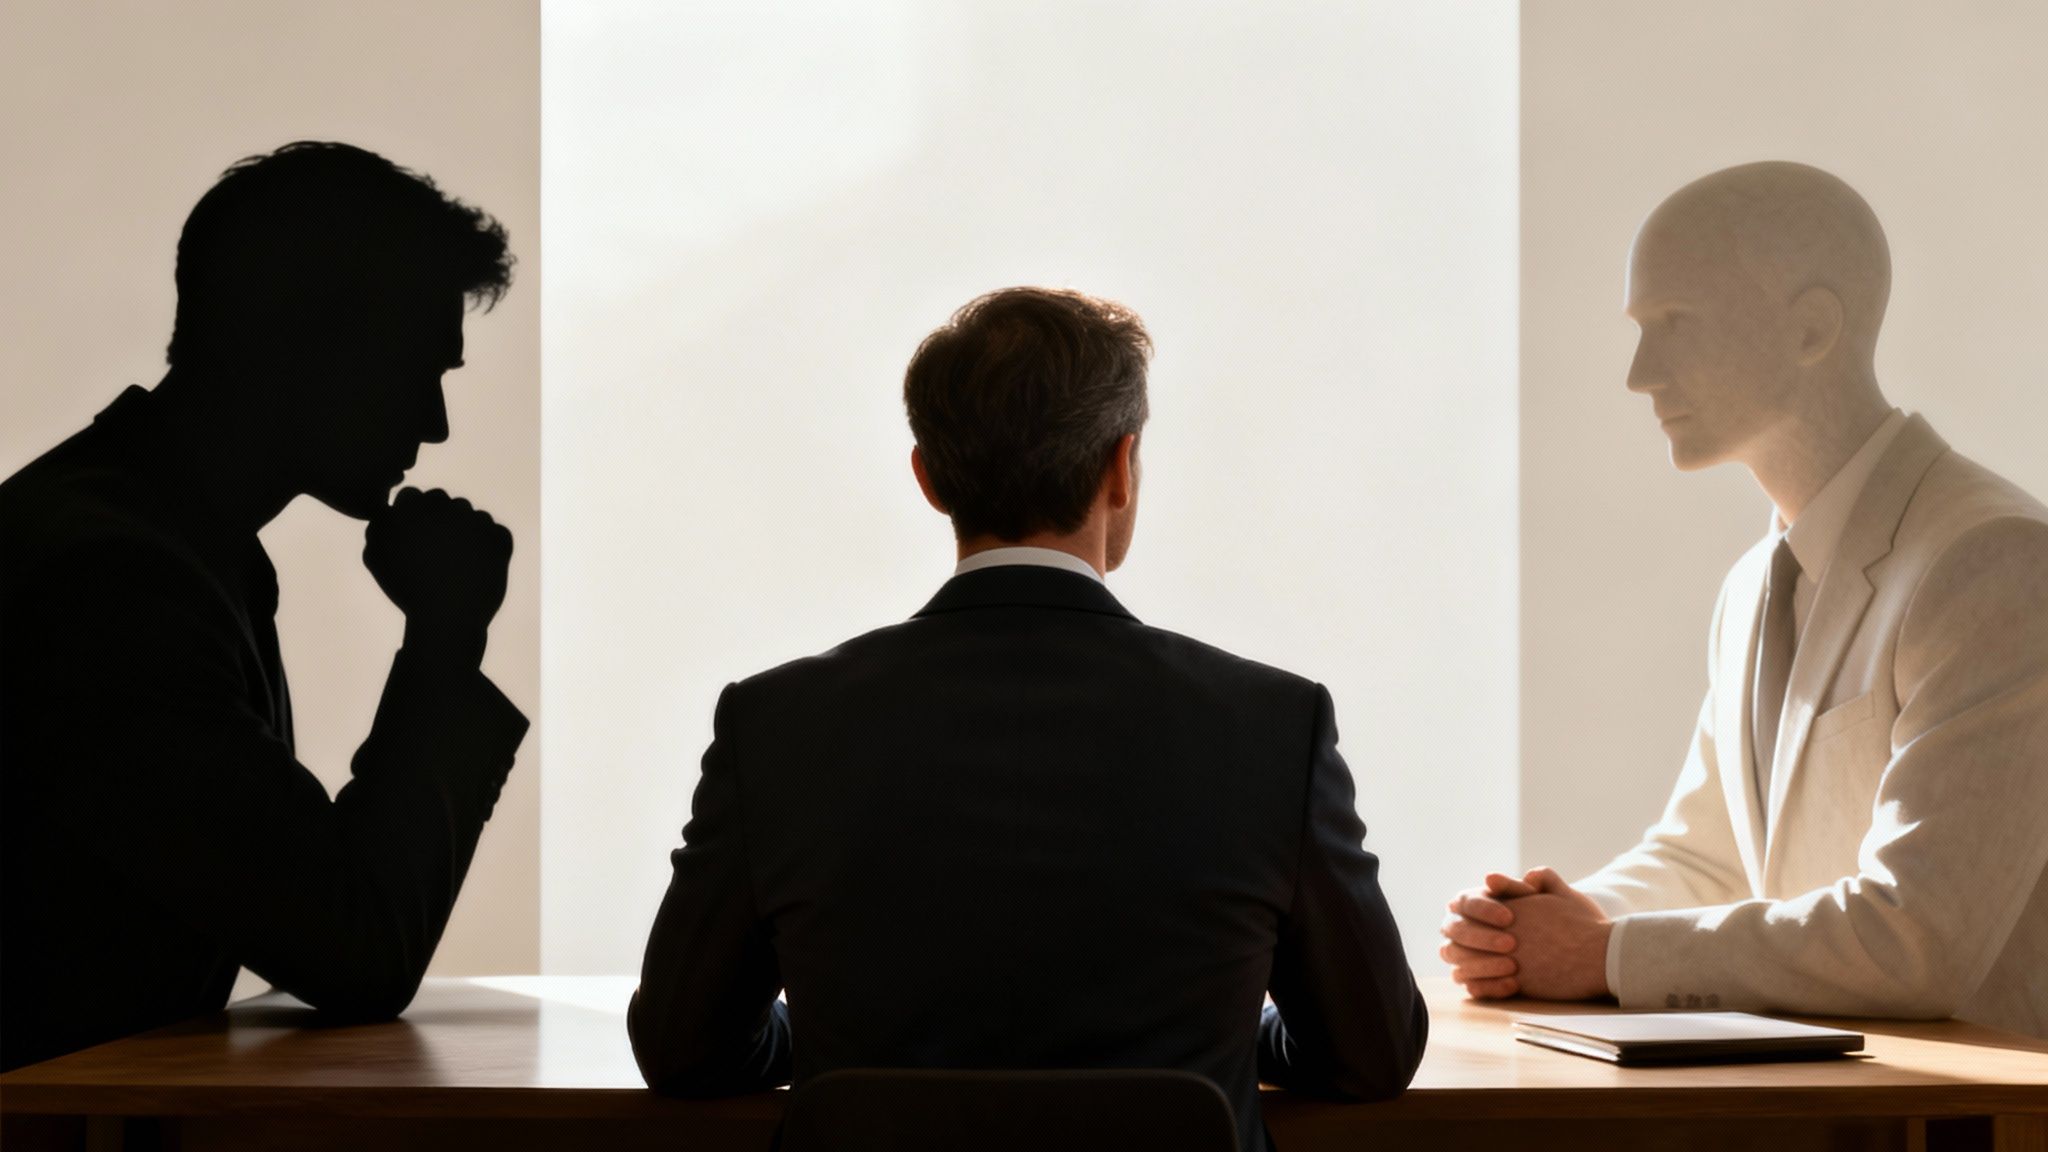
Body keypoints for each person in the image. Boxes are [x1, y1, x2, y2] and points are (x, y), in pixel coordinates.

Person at [629, 287, 1426, 1151]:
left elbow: (683, 1049)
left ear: (929, 477)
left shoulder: (774, 723)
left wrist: (815, 1041)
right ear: (1122, 466)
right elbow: (1371, 1052)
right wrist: (1241, 1041)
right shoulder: (1275, 724)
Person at [1441, 162, 2048, 1038]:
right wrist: (1532, 931)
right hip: (1836, 1109)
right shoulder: (1755, 585)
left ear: (1811, 328)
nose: (1640, 374)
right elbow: (1710, 859)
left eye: (1675, 325)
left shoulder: (1994, 562)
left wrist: (1604, 956)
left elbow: (1920, 934)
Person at [0, 142, 529, 1071]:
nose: (435, 423)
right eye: (418, 368)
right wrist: (444, 643)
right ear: (295, 342)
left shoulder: (150, 545)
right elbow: (354, 945)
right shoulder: (117, 583)